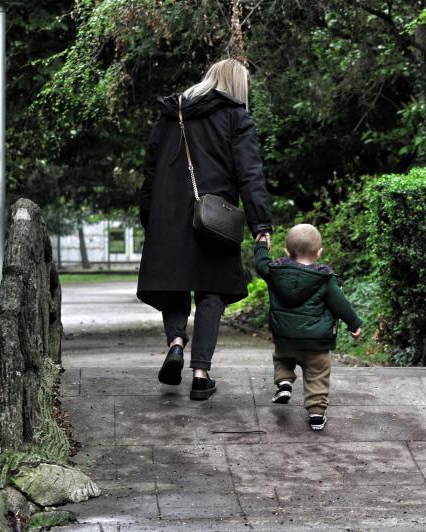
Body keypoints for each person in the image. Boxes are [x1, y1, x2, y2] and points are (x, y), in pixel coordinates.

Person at [137, 58, 272, 401]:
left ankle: (176, 343)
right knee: (212, 290)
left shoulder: (170, 114)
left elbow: (150, 171)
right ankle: (201, 374)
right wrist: (260, 223)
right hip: (215, 216)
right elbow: (250, 174)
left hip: (167, 214)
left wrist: (149, 216)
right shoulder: (235, 116)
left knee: (174, 284)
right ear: (237, 86)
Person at [254, 224, 362, 430]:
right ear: (319, 252)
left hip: (285, 338)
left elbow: (261, 264)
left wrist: (261, 245)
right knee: (317, 376)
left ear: (286, 250)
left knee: (282, 358)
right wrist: (354, 323)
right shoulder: (325, 278)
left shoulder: (275, 272)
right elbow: (340, 304)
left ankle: (284, 383)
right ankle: (316, 414)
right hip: (316, 342)